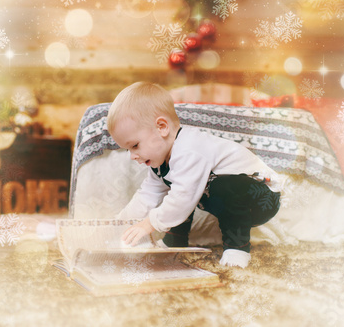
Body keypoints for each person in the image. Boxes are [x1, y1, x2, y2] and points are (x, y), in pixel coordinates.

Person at [107, 81, 282, 269]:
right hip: (231, 196)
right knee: (180, 191)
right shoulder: (162, 164)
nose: (132, 156)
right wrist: (120, 224)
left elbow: (183, 198)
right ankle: (175, 241)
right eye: (128, 150)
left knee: (189, 193)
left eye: (134, 146)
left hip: (262, 196)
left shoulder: (189, 150)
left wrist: (149, 223)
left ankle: (237, 248)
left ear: (162, 127)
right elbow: (146, 196)